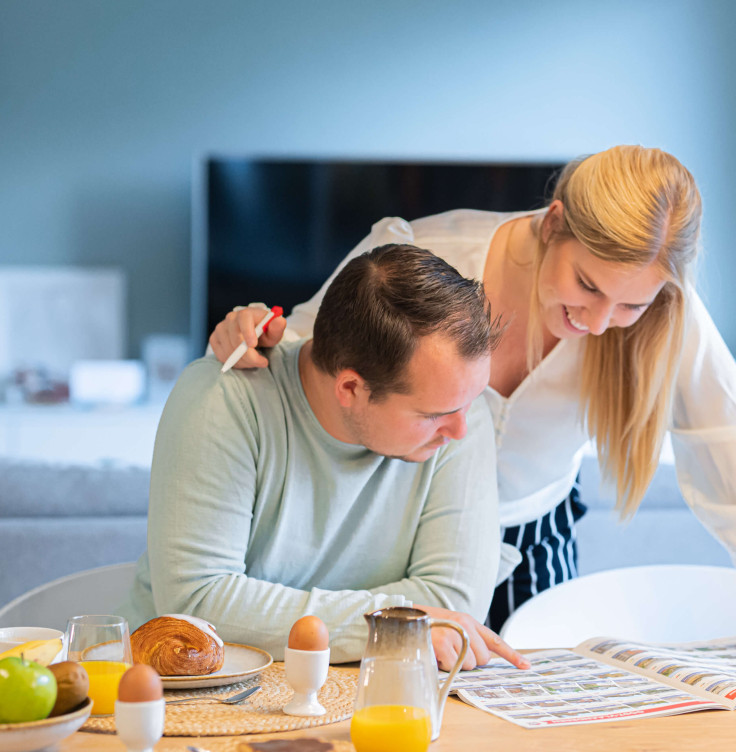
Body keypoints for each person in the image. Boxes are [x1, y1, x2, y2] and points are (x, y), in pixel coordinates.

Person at [210, 145, 736, 662]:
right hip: (401, 539)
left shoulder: (665, 314)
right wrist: (250, 330)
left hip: (534, 543)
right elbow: (311, 351)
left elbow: (730, 447)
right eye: (587, 285)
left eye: (631, 303)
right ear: (553, 222)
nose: (602, 320)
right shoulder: (428, 255)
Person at [125, 244, 528, 670]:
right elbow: (197, 602)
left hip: (373, 693)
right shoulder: (222, 398)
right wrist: (391, 623)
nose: (460, 430)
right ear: (351, 389)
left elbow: (453, 605)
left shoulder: (460, 410)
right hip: (188, 692)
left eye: (470, 402)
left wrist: (263, 613)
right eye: (433, 415)